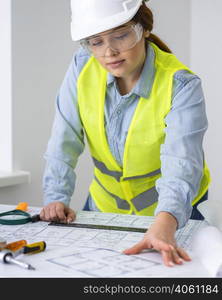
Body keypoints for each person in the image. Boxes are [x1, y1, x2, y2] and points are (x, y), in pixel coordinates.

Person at [40, 0, 211, 267]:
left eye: (121, 35)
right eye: (96, 42)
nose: (109, 51)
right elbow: (64, 138)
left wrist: (165, 221)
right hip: (103, 207)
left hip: (172, 212)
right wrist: (55, 198)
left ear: (143, 28)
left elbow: (182, 163)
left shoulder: (181, 85)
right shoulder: (81, 66)